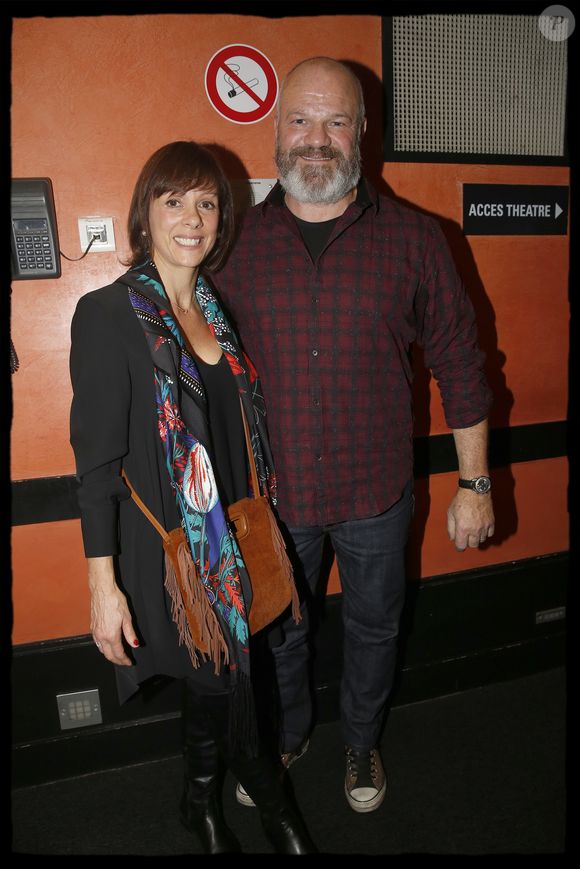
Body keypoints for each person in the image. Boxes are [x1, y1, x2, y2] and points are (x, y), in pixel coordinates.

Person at [212, 57, 495, 815]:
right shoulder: (230, 246)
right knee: (281, 636)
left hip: (378, 494)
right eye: (300, 120)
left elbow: (462, 366)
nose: (316, 138)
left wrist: (474, 485)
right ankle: (290, 733)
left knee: (375, 628)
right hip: (277, 499)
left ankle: (361, 739)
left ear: (362, 134)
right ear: (276, 132)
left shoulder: (417, 239)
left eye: (336, 120)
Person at [69, 140, 317, 854]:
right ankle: (272, 804)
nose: (192, 217)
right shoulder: (108, 313)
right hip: (171, 549)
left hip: (233, 535)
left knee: (224, 677)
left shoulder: (215, 308)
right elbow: (95, 464)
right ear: (145, 214)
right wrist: (102, 586)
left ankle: (198, 800)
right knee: (224, 676)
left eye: (207, 202)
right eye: (173, 199)